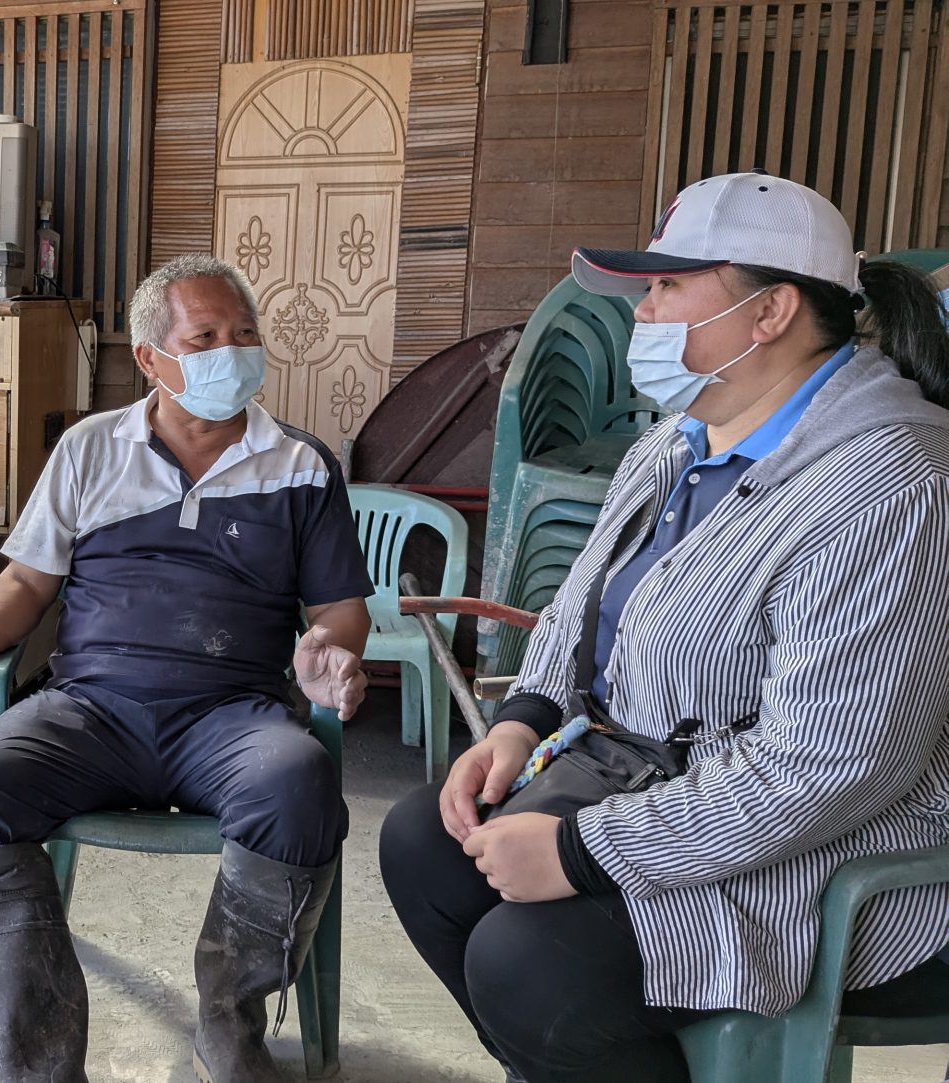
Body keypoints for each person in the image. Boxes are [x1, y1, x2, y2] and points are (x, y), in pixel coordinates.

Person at [379, 173, 949, 1082]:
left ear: (771, 313)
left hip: (813, 843)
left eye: (669, 287)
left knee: (528, 964)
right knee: (422, 845)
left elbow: (829, 769)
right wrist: (524, 719)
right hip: (634, 774)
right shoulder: (677, 442)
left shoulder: (890, 485)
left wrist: (580, 850)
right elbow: (578, 606)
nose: (643, 312)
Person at [0, 254, 373, 1083]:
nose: (233, 351)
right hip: (91, 711)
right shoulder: (89, 449)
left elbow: (338, 608)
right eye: (206, 335)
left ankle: (229, 1031)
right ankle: (36, 1062)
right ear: (150, 357)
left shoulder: (301, 464)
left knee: (300, 781)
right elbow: (28, 579)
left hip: (233, 716)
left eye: (244, 333)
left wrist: (331, 655)